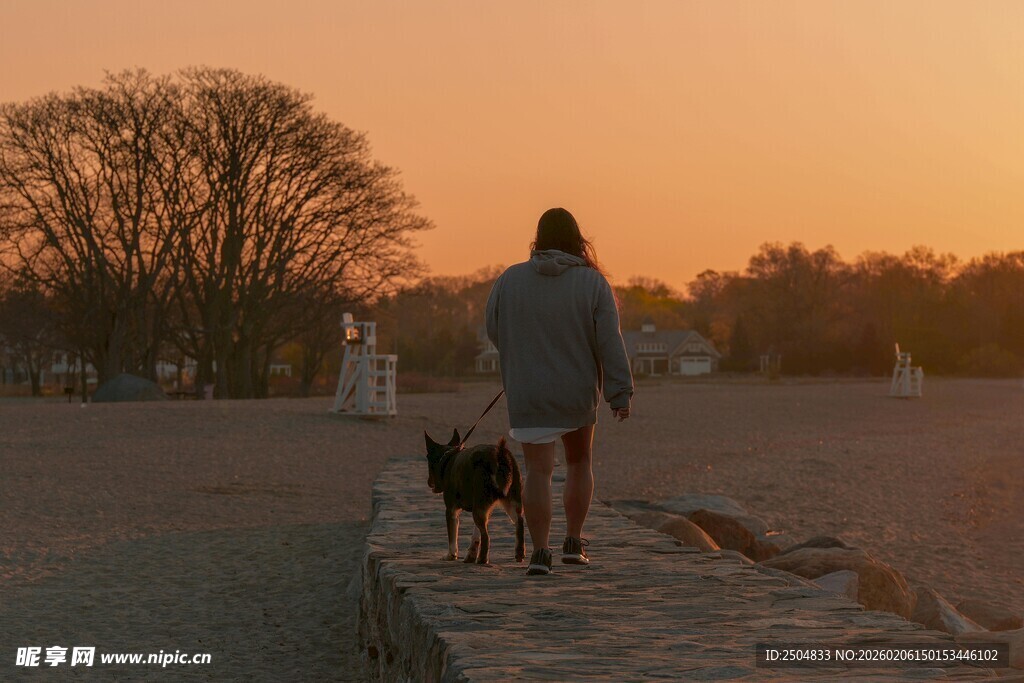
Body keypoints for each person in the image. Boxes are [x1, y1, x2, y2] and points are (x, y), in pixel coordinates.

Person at [485, 207, 634, 575]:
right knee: (579, 463)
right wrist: (620, 393)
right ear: (577, 240)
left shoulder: (509, 279)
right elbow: (609, 343)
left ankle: (539, 552)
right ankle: (572, 541)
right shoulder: (593, 283)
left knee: (538, 471)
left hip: (528, 391)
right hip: (576, 389)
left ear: (537, 239)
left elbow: (493, 329)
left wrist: (521, 357)